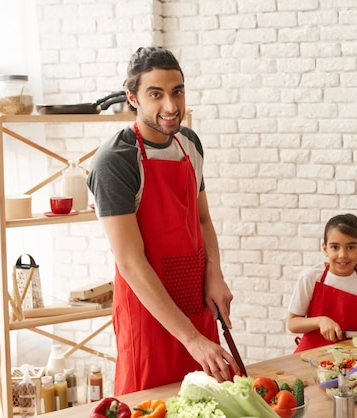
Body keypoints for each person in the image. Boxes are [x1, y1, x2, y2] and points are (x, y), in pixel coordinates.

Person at [87, 46, 240, 395]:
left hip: (197, 299)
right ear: (132, 98)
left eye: (177, 91)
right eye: (155, 94)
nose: (171, 107)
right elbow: (129, 261)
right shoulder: (116, 160)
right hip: (149, 314)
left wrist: (214, 274)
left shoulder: (190, 143)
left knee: (210, 404)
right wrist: (191, 338)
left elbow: (202, 220)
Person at [287, 213, 357, 352]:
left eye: (350, 247)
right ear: (325, 248)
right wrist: (320, 321)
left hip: (350, 355)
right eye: (335, 247)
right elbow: (292, 323)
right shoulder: (311, 277)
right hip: (309, 355)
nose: (342, 255)